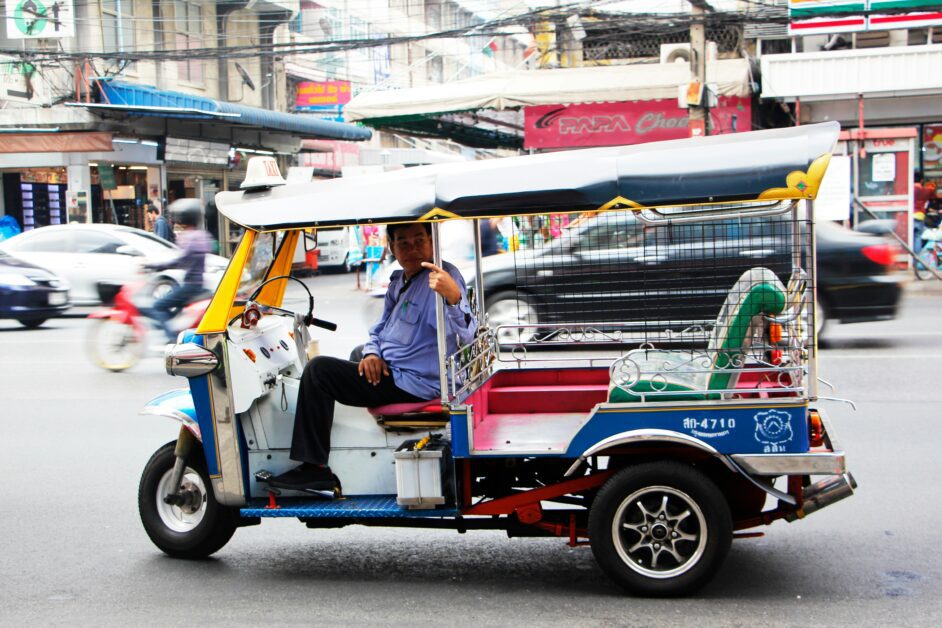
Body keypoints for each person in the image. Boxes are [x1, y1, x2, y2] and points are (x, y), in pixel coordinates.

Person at [271, 222, 478, 490]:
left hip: (416, 382)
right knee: (359, 352)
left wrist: (453, 296)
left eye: (419, 240)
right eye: (403, 243)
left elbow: (467, 333)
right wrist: (372, 353)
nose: (412, 249)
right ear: (392, 247)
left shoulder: (442, 278)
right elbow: (381, 328)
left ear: (432, 241)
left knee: (318, 371)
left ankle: (313, 467)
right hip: (397, 367)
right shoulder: (400, 280)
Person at [140, 198, 211, 341]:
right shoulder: (200, 235)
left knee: (158, 306)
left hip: (190, 286)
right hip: (196, 284)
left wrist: (155, 266)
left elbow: (180, 261)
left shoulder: (191, 237)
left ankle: (172, 338)